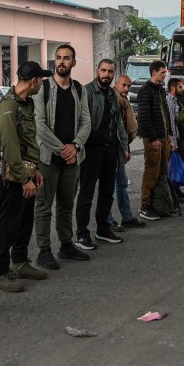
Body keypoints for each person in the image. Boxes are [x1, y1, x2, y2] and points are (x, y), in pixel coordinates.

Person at [0, 61, 50, 292]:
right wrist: (23, 179)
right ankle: (0, 272)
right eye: (41, 80)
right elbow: (10, 146)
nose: (42, 84)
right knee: (8, 224)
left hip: (27, 171)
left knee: (24, 221)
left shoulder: (26, 103)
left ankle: (20, 262)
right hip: (13, 176)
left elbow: (28, 141)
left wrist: (35, 170)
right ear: (34, 80)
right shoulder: (8, 106)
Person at [32, 45, 91, 268]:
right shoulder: (43, 87)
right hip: (48, 158)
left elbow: (86, 121)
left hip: (72, 159)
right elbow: (39, 125)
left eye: (66, 58)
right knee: (43, 206)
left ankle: (66, 245)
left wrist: (75, 146)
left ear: (73, 63)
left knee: (66, 204)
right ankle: (44, 251)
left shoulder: (79, 89)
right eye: (58, 58)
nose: (61, 62)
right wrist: (63, 149)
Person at [75, 59, 128, 247]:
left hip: (110, 150)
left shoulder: (113, 94)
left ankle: (103, 229)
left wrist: (125, 146)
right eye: (103, 70)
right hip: (91, 150)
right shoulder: (86, 91)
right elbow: (79, 121)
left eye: (110, 71)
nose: (107, 74)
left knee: (107, 192)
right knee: (86, 193)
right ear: (97, 71)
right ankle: (82, 234)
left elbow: (118, 122)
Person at [137, 60, 172, 221]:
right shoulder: (145, 90)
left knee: (162, 172)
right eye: (163, 72)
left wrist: (169, 133)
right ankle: (145, 206)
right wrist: (153, 138)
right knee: (151, 172)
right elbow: (144, 118)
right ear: (154, 72)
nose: (165, 75)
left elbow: (166, 112)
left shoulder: (160, 90)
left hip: (163, 138)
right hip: (154, 139)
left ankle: (159, 203)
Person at [112, 75, 146, 228]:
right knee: (108, 187)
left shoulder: (124, 102)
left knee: (122, 184)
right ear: (116, 85)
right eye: (123, 85)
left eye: (129, 86)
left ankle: (126, 217)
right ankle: (107, 220)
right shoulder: (112, 100)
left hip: (121, 149)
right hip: (111, 149)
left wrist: (126, 148)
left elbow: (125, 128)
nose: (126, 89)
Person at [166, 78, 184, 200]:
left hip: (180, 139)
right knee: (173, 168)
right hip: (175, 140)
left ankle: (177, 190)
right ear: (173, 88)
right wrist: (173, 142)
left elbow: (181, 122)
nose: (182, 89)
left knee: (178, 167)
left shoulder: (176, 101)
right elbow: (171, 123)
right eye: (180, 87)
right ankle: (173, 194)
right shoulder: (169, 102)